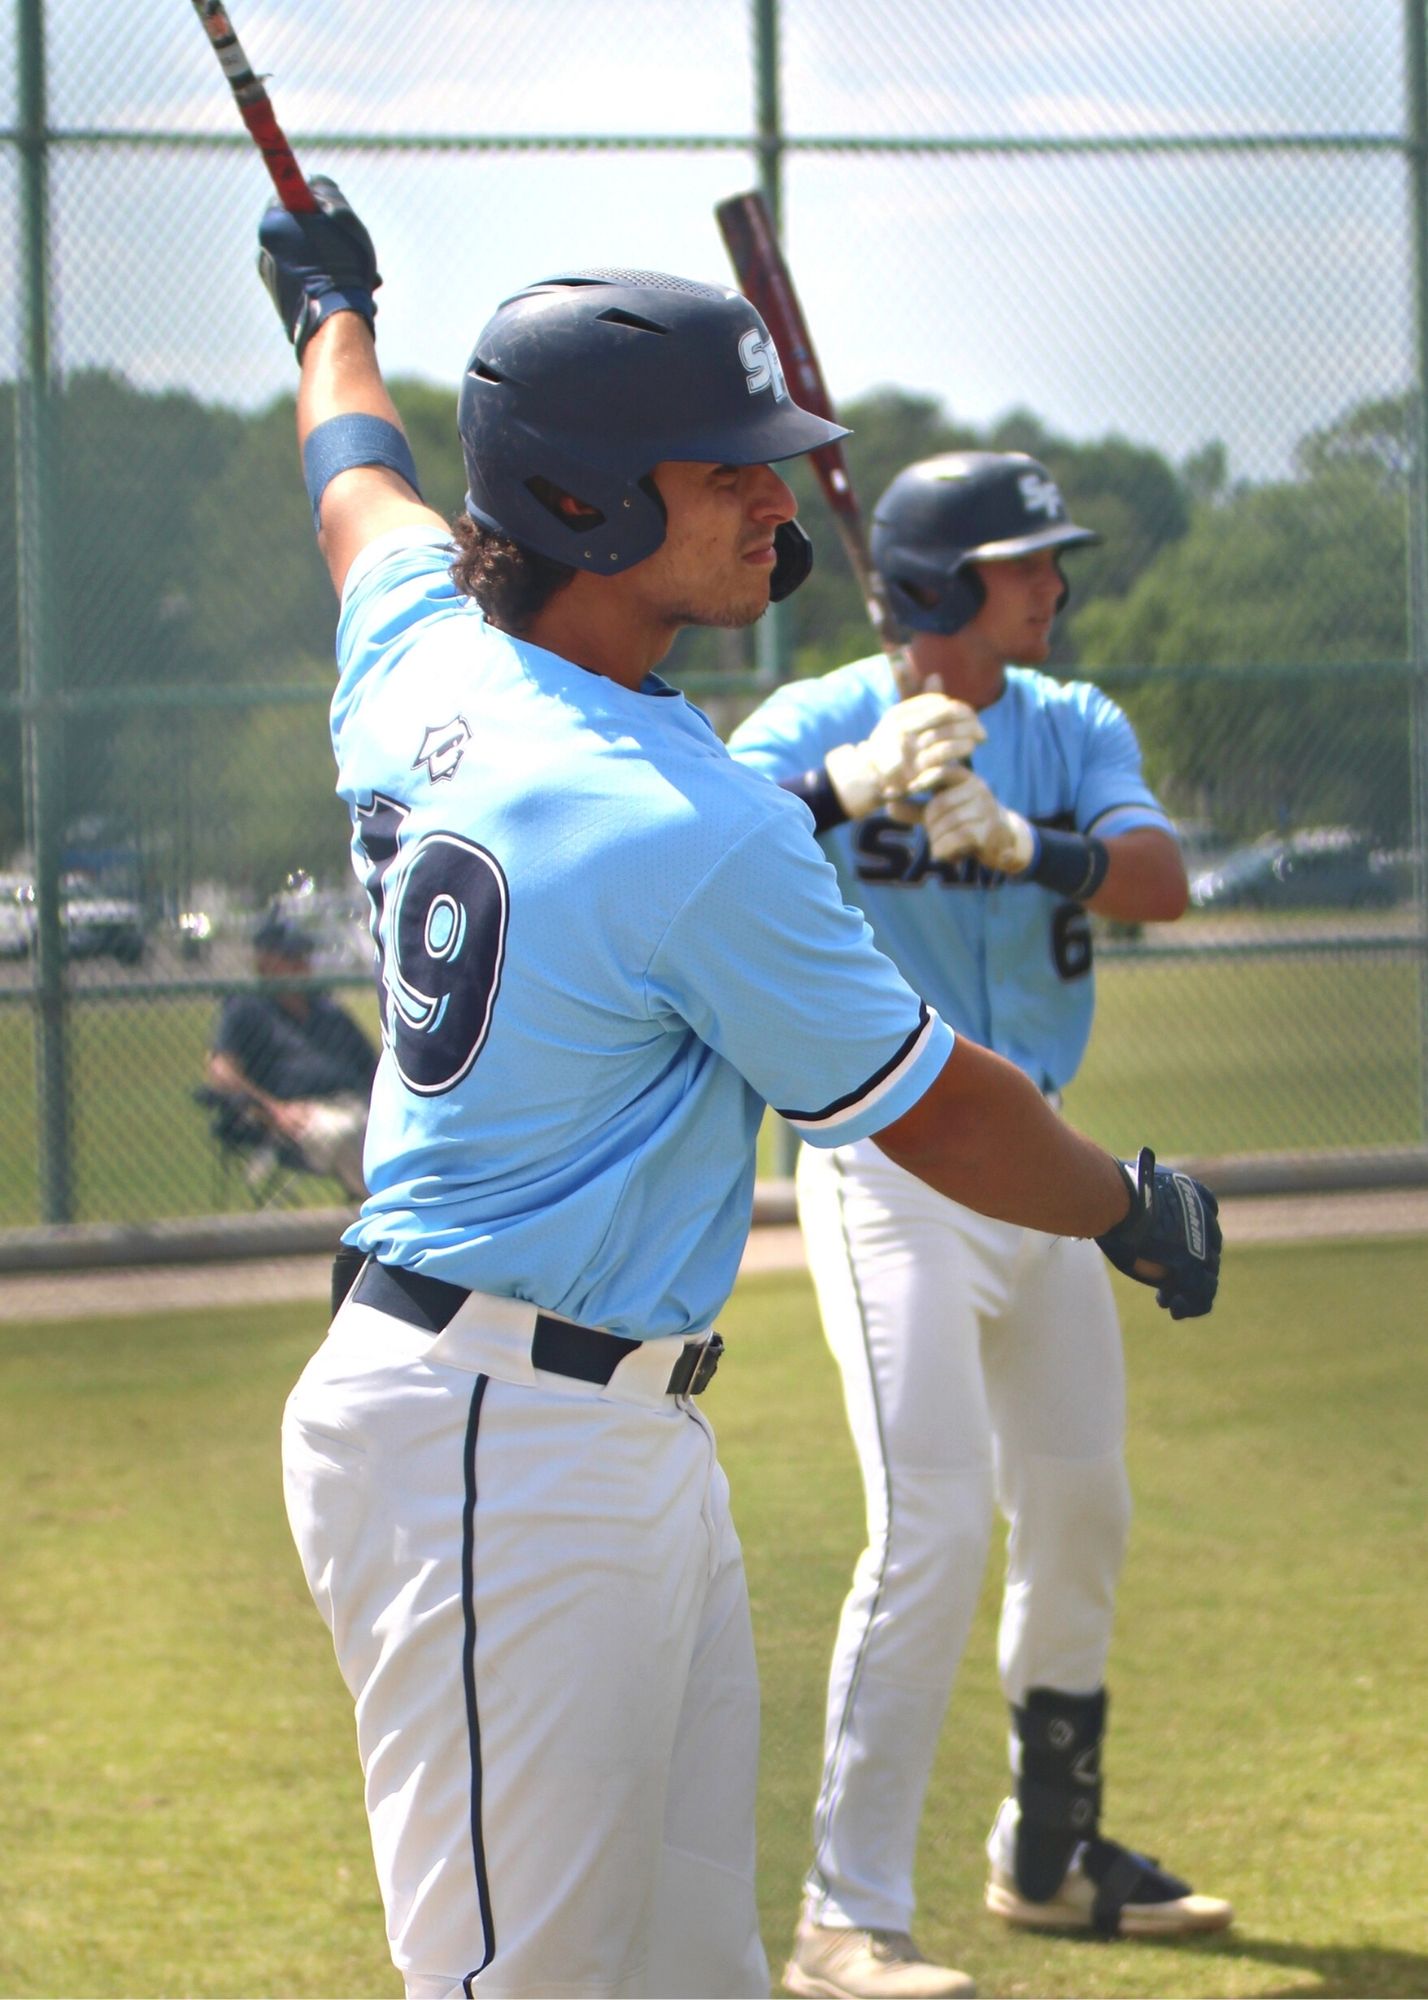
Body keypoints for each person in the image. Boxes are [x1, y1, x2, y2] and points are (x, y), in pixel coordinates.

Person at [254, 179, 1220, 2000]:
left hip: (595, 1421)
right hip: (496, 1438)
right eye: (723, 468)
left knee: (688, 1965)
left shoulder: (416, 645)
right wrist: (1127, 1204)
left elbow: (353, 476)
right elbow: (930, 1103)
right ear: (576, 501)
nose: (774, 495)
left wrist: (326, 309)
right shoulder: (676, 816)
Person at [728, 449, 1233, 1999]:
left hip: (1048, 1161)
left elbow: (1161, 882)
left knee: (1082, 1510)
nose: (1056, 587)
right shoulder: (815, 719)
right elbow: (702, 847)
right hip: (887, 1163)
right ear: (943, 585)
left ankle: (1049, 1853)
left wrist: (1024, 839)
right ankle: (844, 1918)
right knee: (931, 1526)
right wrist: (852, 784)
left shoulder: (1070, 726)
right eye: (1027, 566)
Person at [206, 906, 378, 1200]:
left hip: (354, 1104)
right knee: (346, 1132)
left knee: (390, 1129)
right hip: (298, 1115)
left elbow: (374, 1066)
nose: (302, 964)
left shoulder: (327, 1011)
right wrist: (273, 1110)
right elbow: (221, 1070)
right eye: (291, 957)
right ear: (264, 962)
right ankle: (384, 1213)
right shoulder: (247, 1010)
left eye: (303, 955)